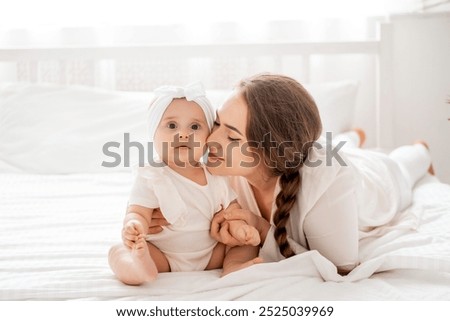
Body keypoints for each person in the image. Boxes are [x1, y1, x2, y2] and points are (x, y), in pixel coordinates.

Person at [150, 73, 434, 276]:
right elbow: (172, 179)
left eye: (233, 138)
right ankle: (353, 136)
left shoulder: (329, 178)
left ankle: (420, 149)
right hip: (324, 153)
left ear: (269, 153)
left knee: (403, 164)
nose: (211, 140)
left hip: (376, 178)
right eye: (216, 123)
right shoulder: (221, 163)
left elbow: (341, 266)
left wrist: (261, 230)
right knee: (338, 145)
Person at [108, 83, 260, 285]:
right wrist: (134, 226)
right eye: (172, 126)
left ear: (208, 137)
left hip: (211, 255)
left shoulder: (216, 175)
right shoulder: (152, 174)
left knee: (245, 245)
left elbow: (232, 210)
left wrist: (240, 227)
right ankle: (139, 268)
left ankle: (232, 268)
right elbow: (138, 211)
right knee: (119, 251)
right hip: (164, 254)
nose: (183, 134)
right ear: (153, 133)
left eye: (195, 127)